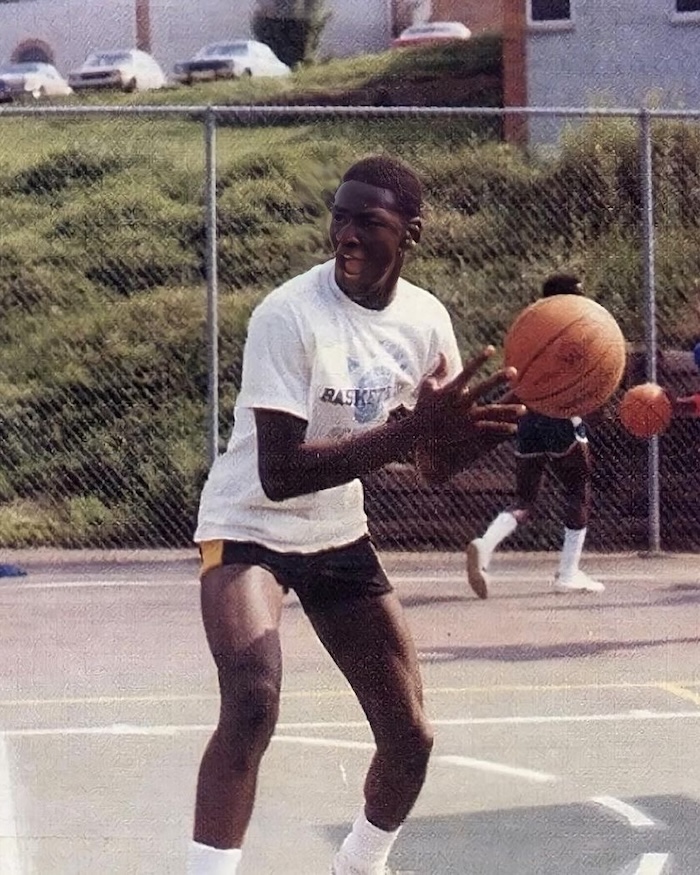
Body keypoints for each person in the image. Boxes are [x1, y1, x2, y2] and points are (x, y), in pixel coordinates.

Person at [187, 154, 525, 875]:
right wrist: (410, 429)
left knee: (411, 735)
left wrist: (467, 436)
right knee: (253, 699)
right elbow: (280, 474)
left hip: (336, 532)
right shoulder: (289, 313)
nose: (345, 234)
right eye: (338, 217)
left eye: (367, 222)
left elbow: (431, 465)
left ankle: (361, 865)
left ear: (411, 233)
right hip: (248, 523)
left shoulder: (425, 321)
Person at [466, 273, 606, 600]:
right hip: (560, 416)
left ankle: (484, 546)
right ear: (566, 297)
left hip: (529, 419)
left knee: (525, 500)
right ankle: (568, 574)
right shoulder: (575, 330)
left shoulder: (530, 327)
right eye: (578, 294)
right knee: (578, 490)